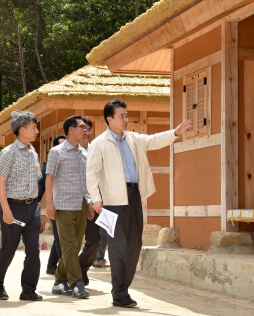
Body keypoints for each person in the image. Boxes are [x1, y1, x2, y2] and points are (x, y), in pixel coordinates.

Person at [86, 99, 192, 308]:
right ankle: (119, 292)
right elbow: (91, 174)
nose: (126, 119)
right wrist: (96, 199)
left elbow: (154, 140)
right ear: (110, 119)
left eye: (127, 115)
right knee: (117, 248)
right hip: (111, 202)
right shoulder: (99, 143)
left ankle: (123, 290)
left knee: (134, 245)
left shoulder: (134, 139)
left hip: (134, 197)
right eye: (121, 116)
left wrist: (176, 133)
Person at [0, 111, 43, 301]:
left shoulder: (33, 152)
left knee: (34, 251)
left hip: (32, 209)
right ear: (22, 129)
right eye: (33, 127)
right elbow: (0, 182)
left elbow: (36, 180)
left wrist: (36, 204)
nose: (37, 130)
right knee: (9, 249)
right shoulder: (9, 152)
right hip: (14, 208)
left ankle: (28, 289)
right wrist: (6, 209)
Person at [45, 115, 95, 299]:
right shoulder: (56, 152)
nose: (85, 130)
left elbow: (85, 182)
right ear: (71, 130)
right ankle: (77, 283)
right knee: (68, 245)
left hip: (81, 204)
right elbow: (49, 178)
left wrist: (89, 202)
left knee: (75, 245)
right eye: (81, 127)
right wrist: (49, 204)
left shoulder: (84, 153)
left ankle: (59, 281)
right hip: (63, 205)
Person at [76, 116, 102, 285]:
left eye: (89, 129)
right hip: (73, 203)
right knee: (72, 242)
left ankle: (81, 267)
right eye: (83, 128)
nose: (86, 132)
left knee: (95, 240)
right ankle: (68, 274)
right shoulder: (68, 151)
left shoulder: (97, 149)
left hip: (94, 202)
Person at [38, 134, 66, 275]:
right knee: (61, 237)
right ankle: (64, 269)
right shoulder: (51, 162)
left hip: (69, 204)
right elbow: (43, 182)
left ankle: (51, 266)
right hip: (55, 205)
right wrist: (37, 202)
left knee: (60, 237)